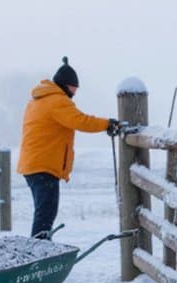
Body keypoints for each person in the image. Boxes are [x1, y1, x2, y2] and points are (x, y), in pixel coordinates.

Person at [17, 57, 118, 238]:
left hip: (33, 164)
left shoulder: (38, 100)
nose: (75, 92)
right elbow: (80, 121)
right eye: (73, 87)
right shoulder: (57, 101)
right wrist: (107, 124)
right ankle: (38, 254)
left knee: (43, 212)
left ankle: (39, 249)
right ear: (65, 85)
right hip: (44, 166)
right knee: (45, 214)